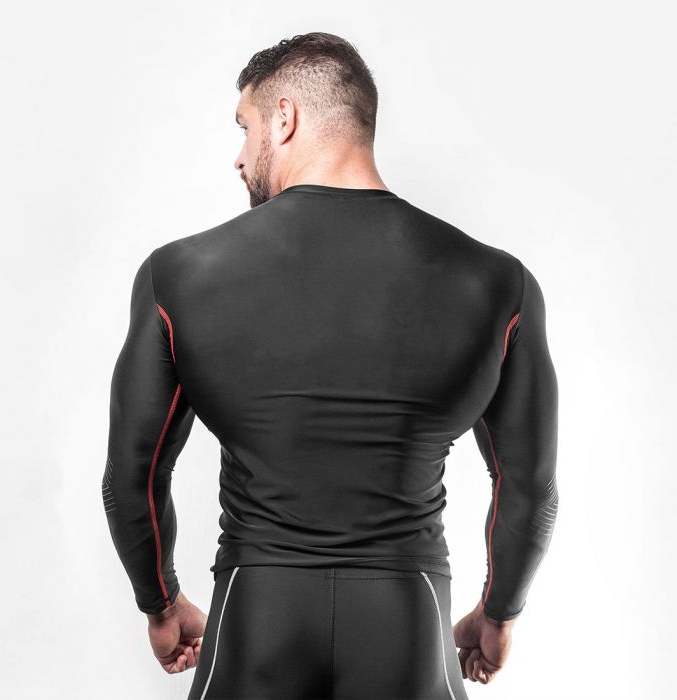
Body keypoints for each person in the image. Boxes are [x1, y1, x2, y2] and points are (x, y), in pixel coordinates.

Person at [102, 31, 559, 700]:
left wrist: (162, 604)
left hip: (257, 617)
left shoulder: (180, 275)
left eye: (245, 127)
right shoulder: (494, 283)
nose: (239, 157)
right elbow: (529, 489)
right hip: (408, 626)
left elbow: (131, 479)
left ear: (284, 118)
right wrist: (498, 615)